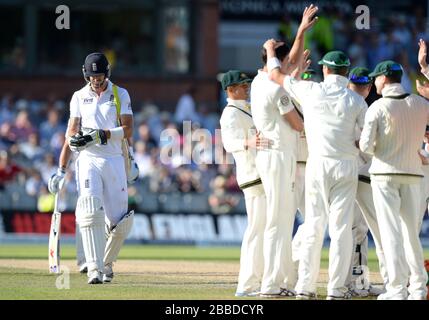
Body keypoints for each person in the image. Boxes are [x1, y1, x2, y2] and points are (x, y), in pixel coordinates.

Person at [266, 40, 367, 298]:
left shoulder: (311, 90)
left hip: (318, 163)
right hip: (346, 164)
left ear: (325, 71)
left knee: (313, 225)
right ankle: (336, 289)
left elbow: (275, 75)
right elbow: (366, 139)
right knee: (341, 229)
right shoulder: (356, 100)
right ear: (346, 72)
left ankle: (305, 288)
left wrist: (269, 52)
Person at [250, 5, 318, 297]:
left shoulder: (260, 79)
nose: (291, 66)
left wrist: (301, 30)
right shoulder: (274, 89)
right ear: (274, 61)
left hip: (275, 155)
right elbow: (297, 125)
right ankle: (271, 284)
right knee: (279, 223)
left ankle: (278, 281)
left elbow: (287, 64)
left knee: (280, 221)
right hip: (278, 156)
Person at [60, 52, 136, 284]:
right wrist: (74, 141)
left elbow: (128, 130)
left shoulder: (119, 93)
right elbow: (72, 130)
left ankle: (107, 263)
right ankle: (93, 267)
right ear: (86, 75)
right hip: (88, 158)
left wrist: (102, 135)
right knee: (90, 208)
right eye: (93, 76)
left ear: (107, 73)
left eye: (100, 76)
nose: (96, 80)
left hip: (113, 159)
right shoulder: (78, 96)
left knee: (118, 221)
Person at [360, 60, 429, 300]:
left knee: (391, 234)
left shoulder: (378, 107)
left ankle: (398, 290)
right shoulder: (421, 103)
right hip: (413, 175)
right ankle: (419, 289)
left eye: (375, 78)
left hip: (385, 175)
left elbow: (366, 147)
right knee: (411, 234)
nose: (373, 82)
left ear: (384, 78)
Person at [219, 70, 271, 297]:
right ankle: (247, 284)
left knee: (265, 229)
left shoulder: (246, 107)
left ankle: (259, 280)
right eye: (242, 85)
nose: (246, 87)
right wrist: (249, 141)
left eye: (247, 83)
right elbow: (229, 143)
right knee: (256, 229)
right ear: (231, 90)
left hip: (262, 173)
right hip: (252, 175)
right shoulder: (230, 113)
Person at [346, 67, 385, 297]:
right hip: (364, 176)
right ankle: (356, 284)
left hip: (344, 176)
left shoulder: (337, 105)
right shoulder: (367, 108)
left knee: (352, 231)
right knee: (363, 231)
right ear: (369, 87)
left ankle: (355, 283)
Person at [48, 139, 87, 274]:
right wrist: (61, 173)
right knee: (82, 218)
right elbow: (68, 144)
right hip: (81, 185)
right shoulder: (76, 128)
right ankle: (84, 261)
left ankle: (98, 260)